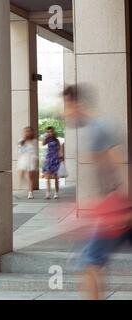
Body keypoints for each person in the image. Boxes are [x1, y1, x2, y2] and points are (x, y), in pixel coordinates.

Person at [63, 84, 132, 300]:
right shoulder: (98, 128)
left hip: (119, 207)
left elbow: (120, 163)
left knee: (89, 262)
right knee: (92, 261)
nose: (65, 112)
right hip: (117, 206)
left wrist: (124, 209)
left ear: (76, 104)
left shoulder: (99, 128)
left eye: (66, 106)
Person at [42, 126, 63, 199]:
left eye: (51, 131)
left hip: (55, 158)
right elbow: (43, 143)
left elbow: (60, 149)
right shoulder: (47, 139)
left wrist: (61, 157)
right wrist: (45, 136)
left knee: (56, 177)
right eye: (48, 132)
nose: (50, 133)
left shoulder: (56, 140)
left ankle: (56, 193)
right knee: (47, 177)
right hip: (49, 158)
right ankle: (47, 193)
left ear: (54, 132)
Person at [17, 127, 38, 199]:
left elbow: (35, 151)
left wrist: (36, 161)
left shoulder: (34, 141)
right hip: (23, 159)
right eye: (26, 131)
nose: (28, 133)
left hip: (31, 159)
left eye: (29, 131)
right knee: (21, 175)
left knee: (30, 177)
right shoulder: (21, 140)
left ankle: (30, 193)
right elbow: (20, 150)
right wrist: (24, 141)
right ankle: (23, 187)